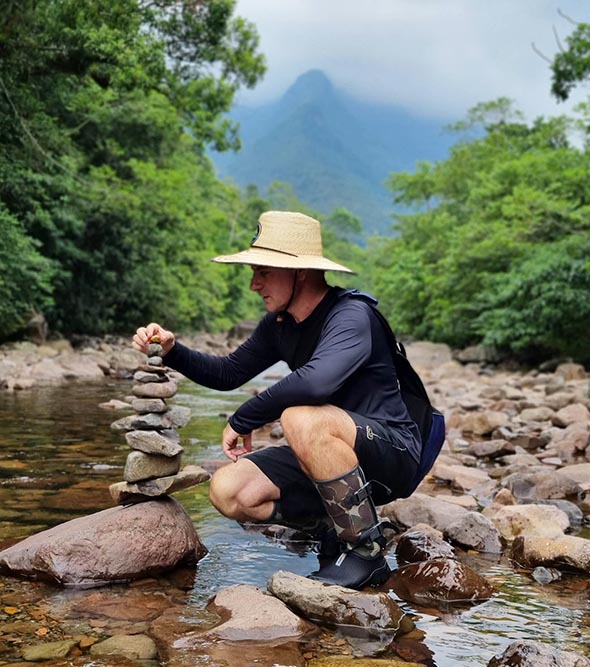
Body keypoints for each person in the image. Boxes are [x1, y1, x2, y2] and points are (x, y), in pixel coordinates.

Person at [132, 211, 422, 590]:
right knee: (228, 490)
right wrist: (172, 352)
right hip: (330, 451)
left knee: (300, 418)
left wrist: (244, 417)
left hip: (392, 452)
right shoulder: (280, 325)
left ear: (300, 272)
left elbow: (316, 383)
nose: (254, 284)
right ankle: (333, 524)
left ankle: (366, 552)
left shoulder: (352, 316)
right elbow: (227, 373)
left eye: (264, 272)